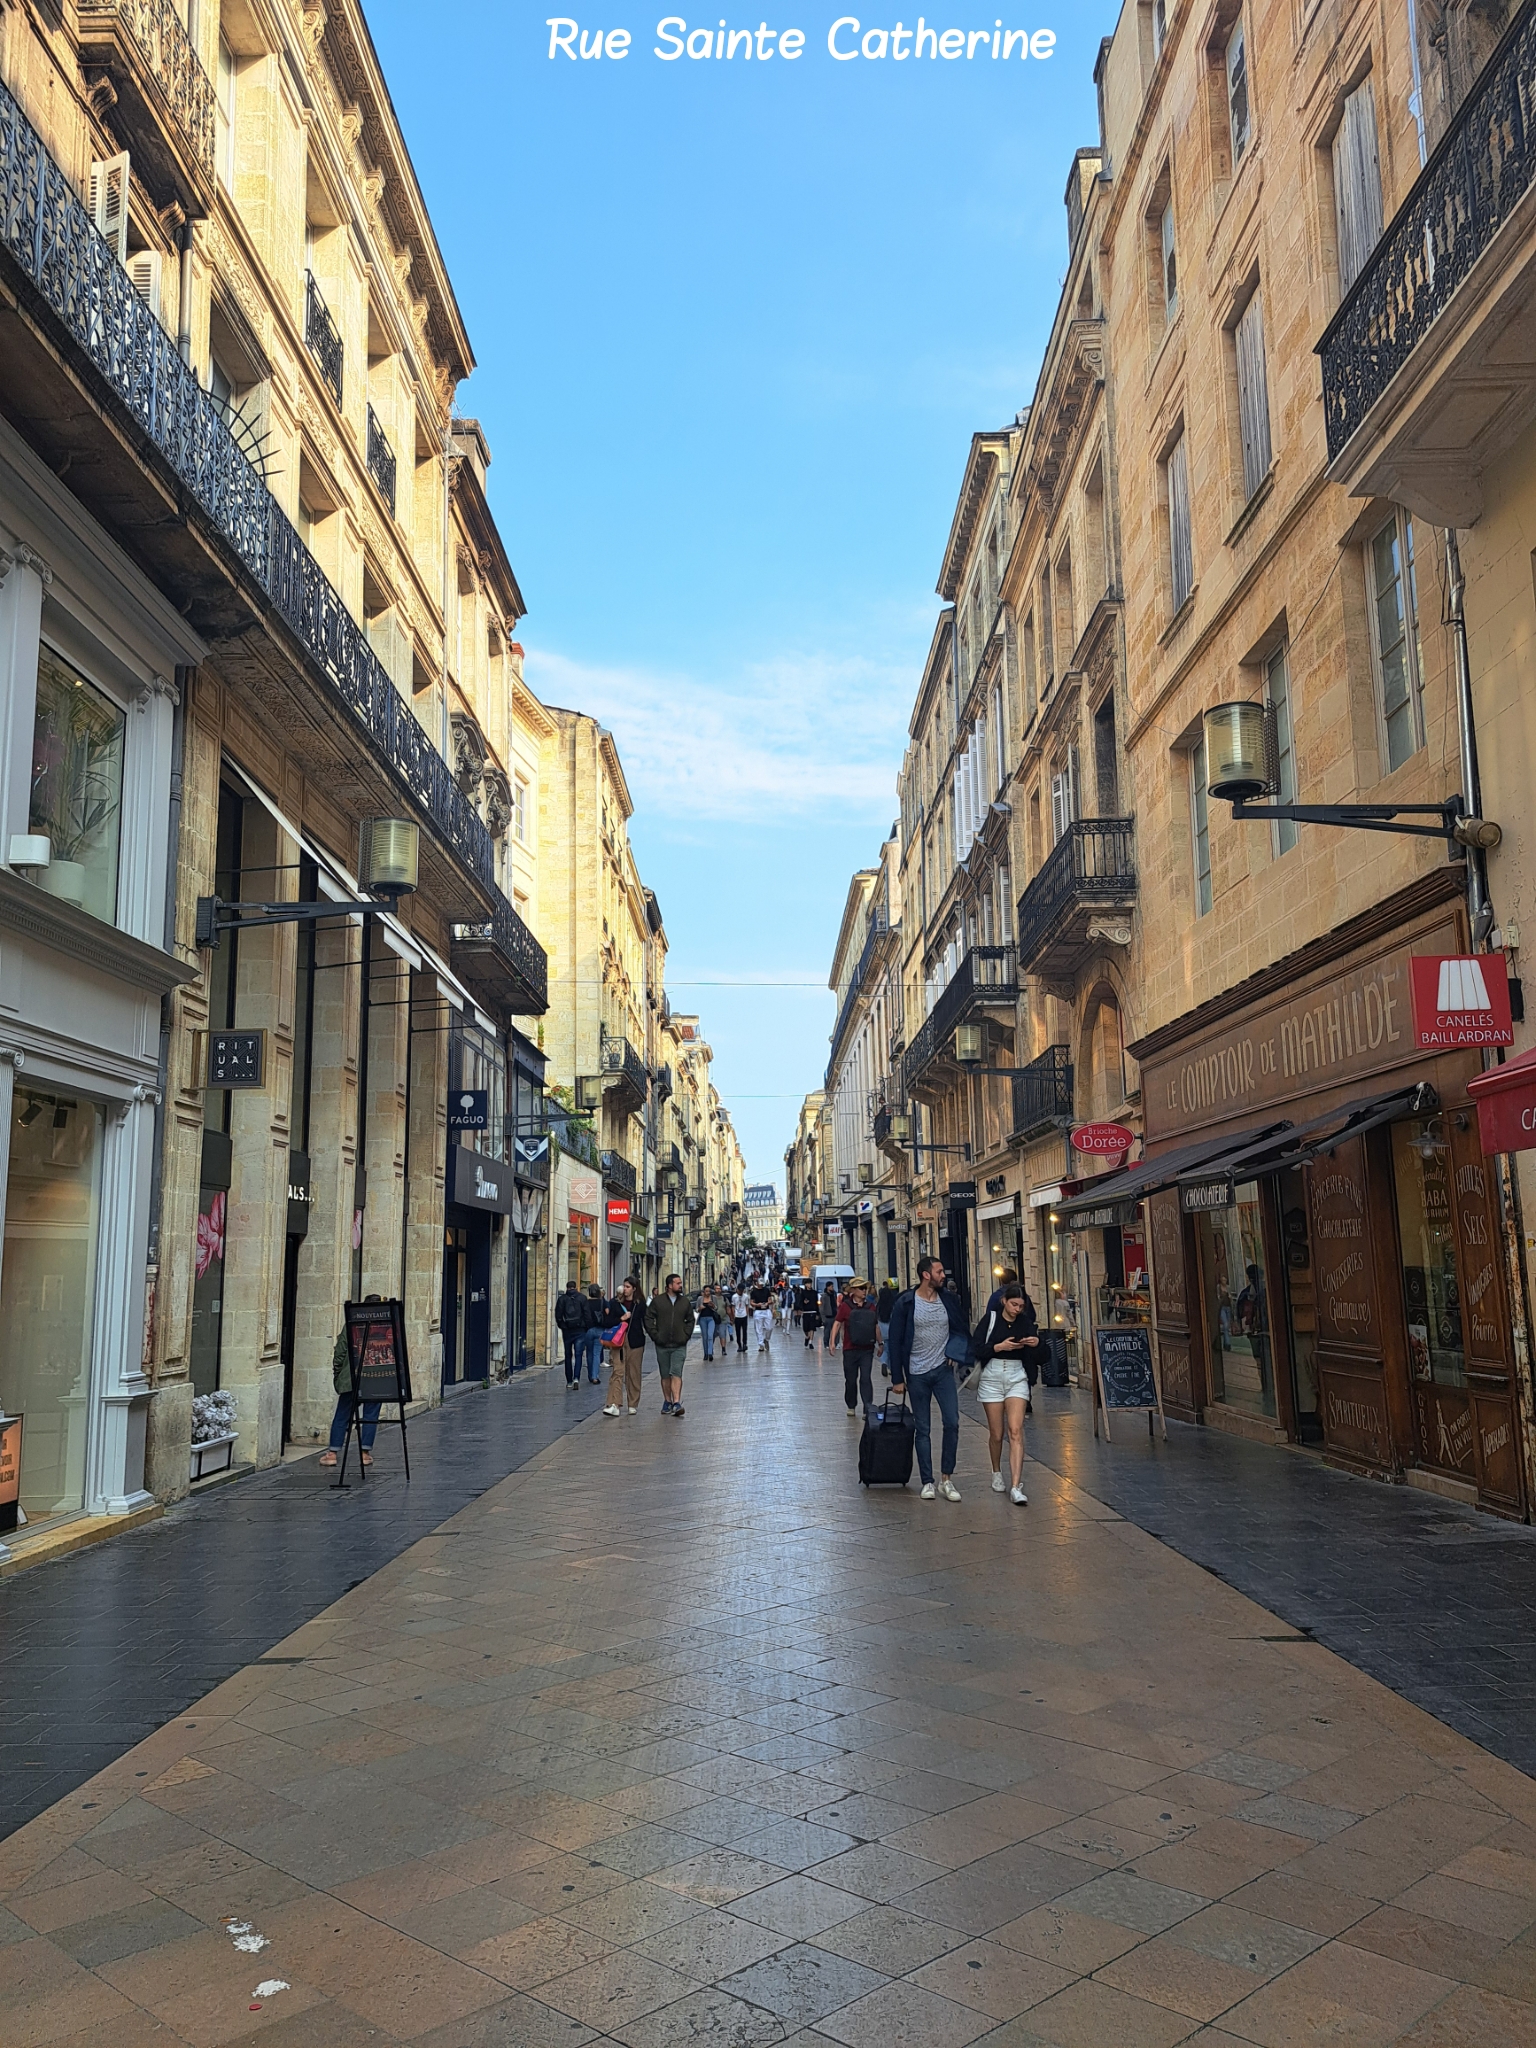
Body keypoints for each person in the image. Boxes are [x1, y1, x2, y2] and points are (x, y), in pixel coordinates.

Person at [887, 1256, 971, 1501]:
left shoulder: (949, 1300)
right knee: (923, 1428)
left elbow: (960, 1328)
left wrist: (955, 1352)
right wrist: (897, 1378)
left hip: (943, 1372)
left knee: (952, 1422)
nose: (943, 1275)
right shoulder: (906, 1303)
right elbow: (896, 1340)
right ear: (926, 1275)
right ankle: (927, 1481)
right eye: (939, 1271)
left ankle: (947, 1478)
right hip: (916, 1373)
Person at [972, 1281, 1039, 1503]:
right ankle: (996, 1471)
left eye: (1021, 1306)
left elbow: (1043, 1354)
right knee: (997, 1434)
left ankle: (1016, 1486)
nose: (1017, 1309)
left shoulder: (1025, 1323)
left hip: (1016, 1376)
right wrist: (998, 1347)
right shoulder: (991, 1319)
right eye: (1013, 1304)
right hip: (991, 1376)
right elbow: (976, 1348)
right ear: (1004, 1302)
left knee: (1015, 1430)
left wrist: (1036, 1342)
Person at [319, 1322, 378, 1467]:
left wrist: (338, 1374)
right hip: (377, 1378)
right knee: (371, 1415)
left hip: (351, 1376)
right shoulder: (386, 1323)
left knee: (343, 1414)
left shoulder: (353, 1323)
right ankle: (364, 1454)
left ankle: (332, 1454)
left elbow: (340, 1351)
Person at [647, 1272, 695, 1416]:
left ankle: (676, 1402)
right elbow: (648, 1318)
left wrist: (686, 1335)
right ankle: (667, 1401)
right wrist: (655, 1335)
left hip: (679, 1344)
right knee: (665, 1375)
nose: (681, 1285)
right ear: (669, 1286)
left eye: (680, 1283)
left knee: (676, 1373)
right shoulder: (658, 1302)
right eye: (678, 1283)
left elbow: (690, 1320)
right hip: (662, 1344)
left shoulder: (684, 1302)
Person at [833, 1276, 879, 1419]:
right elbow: (837, 1323)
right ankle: (851, 1405)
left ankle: (867, 1407)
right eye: (861, 1288)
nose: (864, 1291)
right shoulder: (845, 1306)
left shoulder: (871, 1306)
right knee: (850, 1379)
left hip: (867, 1349)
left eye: (865, 1288)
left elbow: (875, 1325)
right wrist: (832, 1342)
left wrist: (881, 1343)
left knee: (866, 1378)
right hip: (850, 1349)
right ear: (853, 1290)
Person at [603, 1277, 646, 1416]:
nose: (625, 1289)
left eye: (628, 1286)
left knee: (633, 1373)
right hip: (618, 1341)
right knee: (618, 1371)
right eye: (624, 1286)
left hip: (635, 1341)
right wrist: (621, 1318)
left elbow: (646, 1322)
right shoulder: (615, 1303)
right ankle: (614, 1404)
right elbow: (607, 1321)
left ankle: (633, 1403)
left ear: (634, 1288)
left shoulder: (639, 1304)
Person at [555, 1279, 588, 1389]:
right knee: (578, 1355)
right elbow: (587, 1314)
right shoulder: (582, 1298)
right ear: (576, 1287)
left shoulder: (562, 1299)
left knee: (568, 1355)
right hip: (580, 1330)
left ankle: (569, 1381)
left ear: (567, 1287)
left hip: (567, 1331)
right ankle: (576, 1378)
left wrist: (563, 1326)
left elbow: (558, 1316)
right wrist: (585, 1327)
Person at [875, 1276, 899, 1368]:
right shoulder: (893, 1304)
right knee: (891, 1348)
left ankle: (884, 1362)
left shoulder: (879, 1306)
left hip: (882, 1327)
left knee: (884, 1347)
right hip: (891, 1326)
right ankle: (890, 1366)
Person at [750, 1276, 775, 1353]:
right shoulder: (753, 1291)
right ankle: (761, 1345)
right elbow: (751, 1302)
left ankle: (766, 1339)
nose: (761, 1285)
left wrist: (768, 1303)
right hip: (758, 1311)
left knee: (769, 1327)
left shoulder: (766, 1290)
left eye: (762, 1284)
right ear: (756, 1283)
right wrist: (757, 1305)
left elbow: (770, 1300)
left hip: (766, 1310)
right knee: (759, 1328)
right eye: (760, 1284)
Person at [697, 1284, 721, 1361]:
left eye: (709, 1291)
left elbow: (716, 1308)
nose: (708, 1293)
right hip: (702, 1319)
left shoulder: (713, 1298)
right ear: (703, 1292)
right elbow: (696, 1309)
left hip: (711, 1319)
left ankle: (710, 1353)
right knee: (705, 1337)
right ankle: (705, 1353)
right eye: (706, 1291)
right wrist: (700, 1308)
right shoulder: (700, 1299)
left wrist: (713, 1305)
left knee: (710, 1335)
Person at [798, 1279, 821, 1349]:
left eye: (810, 1283)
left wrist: (817, 1313)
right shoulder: (803, 1293)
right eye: (808, 1283)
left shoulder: (814, 1292)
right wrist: (803, 1305)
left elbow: (817, 1302)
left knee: (812, 1328)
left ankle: (810, 1342)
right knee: (805, 1328)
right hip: (806, 1312)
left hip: (813, 1312)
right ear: (805, 1285)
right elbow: (800, 1301)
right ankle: (807, 1337)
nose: (810, 1285)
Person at [731, 1282, 751, 1355]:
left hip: (744, 1315)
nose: (741, 1292)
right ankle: (739, 1345)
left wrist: (746, 1313)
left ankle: (745, 1344)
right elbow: (733, 1306)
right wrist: (733, 1315)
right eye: (740, 1290)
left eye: (742, 1290)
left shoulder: (745, 1296)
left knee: (744, 1331)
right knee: (738, 1331)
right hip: (737, 1315)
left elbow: (747, 1305)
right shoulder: (734, 1297)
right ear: (737, 1290)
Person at [820, 1280, 837, 1352]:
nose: (832, 1287)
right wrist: (823, 1318)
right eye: (831, 1286)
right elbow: (821, 1307)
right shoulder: (824, 1296)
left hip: (835, 1315)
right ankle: (826, 1343)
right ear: (827, 1287)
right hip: (828, 1316)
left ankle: (836, 1343)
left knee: (836, 1331)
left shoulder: (834, 1294)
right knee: (827, 1331)